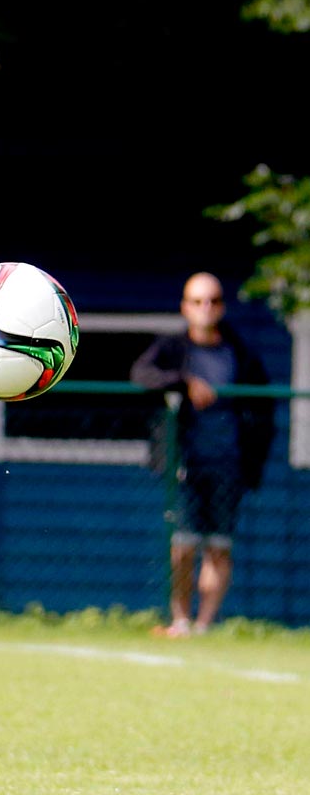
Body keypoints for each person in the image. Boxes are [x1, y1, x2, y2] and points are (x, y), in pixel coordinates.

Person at [131, 271, 274, 638]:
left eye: (212, 300)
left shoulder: (238, 352)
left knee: (219, 547)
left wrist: (253, 460)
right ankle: (180, 619)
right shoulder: (173, 348)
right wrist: (185, 382)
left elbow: (264, 407)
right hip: (186, 463)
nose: (205, 308)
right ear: (185, 307)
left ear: (221, 307)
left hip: (229, 464)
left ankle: (204, 625)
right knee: (183, 545)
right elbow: (141, 374)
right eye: (197, 301)